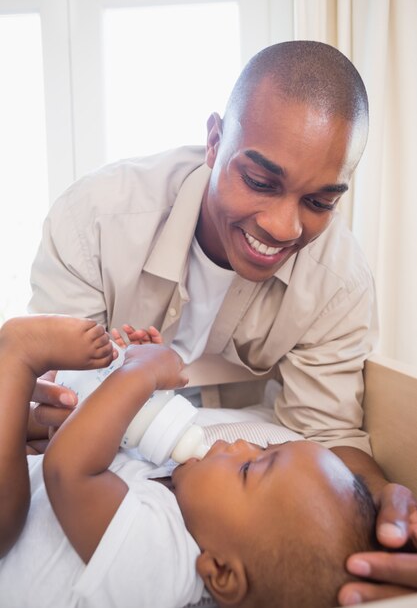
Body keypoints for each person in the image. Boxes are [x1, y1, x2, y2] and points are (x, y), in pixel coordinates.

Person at [28, 40, 417, 599]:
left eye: (320, 202)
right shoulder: (96, 219)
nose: (285, 227)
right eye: (260, 182)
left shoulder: (338, 280)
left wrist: (377, 503)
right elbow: (52, 403)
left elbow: (327, 436)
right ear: (214, 141)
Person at [0, 314, 382, 608]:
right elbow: (78, 457)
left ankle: (14, 353)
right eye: (262, 448)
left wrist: (141, 374)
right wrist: (119, 383)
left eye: (250, 469)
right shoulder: (186, 498)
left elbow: (68, 471)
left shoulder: (164, 569)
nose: (241, 446)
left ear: (221, 573)